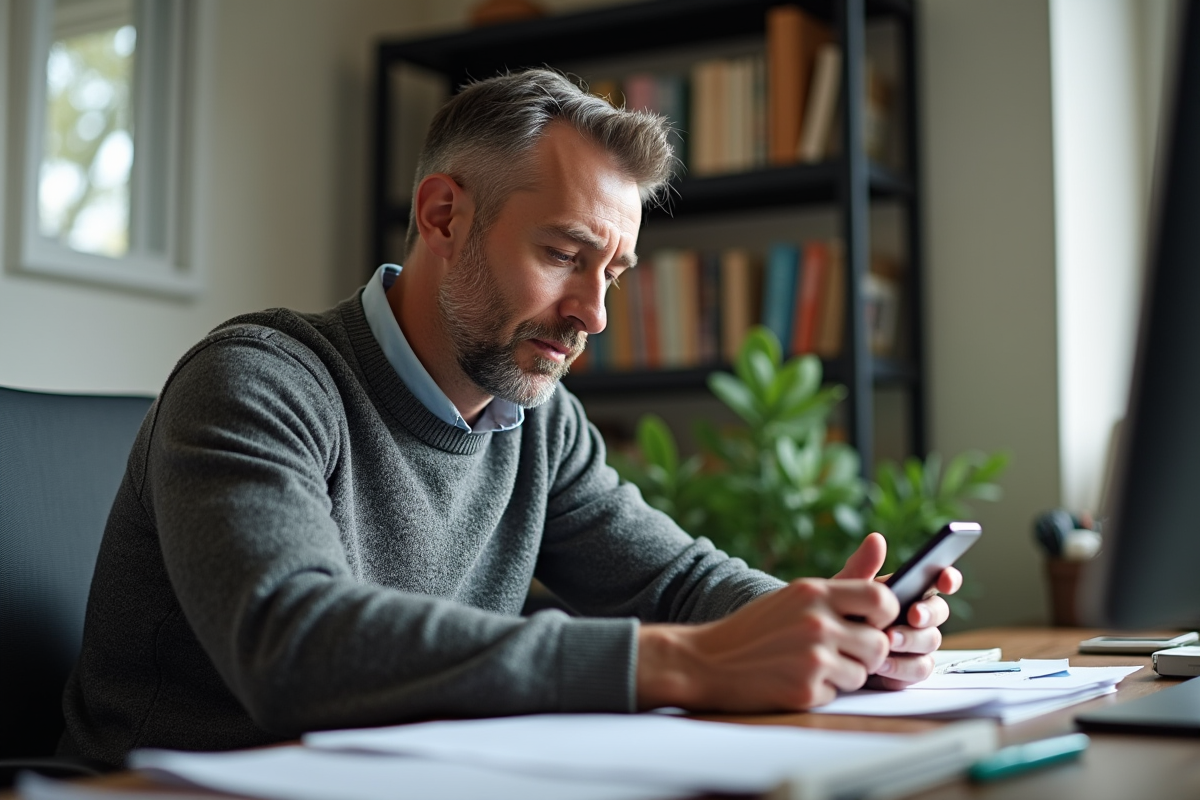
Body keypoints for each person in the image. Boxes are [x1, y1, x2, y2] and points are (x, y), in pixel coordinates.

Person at [60, 68, 959, 767]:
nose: (594, 315)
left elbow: (679, 583)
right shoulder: (257, 382)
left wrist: (833, 635)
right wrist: (683, 664)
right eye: (566, 254)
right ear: (444, 215)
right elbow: (294, 644)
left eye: (613, 273)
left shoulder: (540, 424)